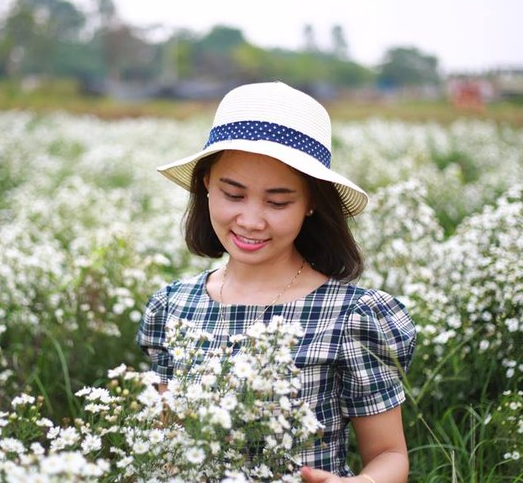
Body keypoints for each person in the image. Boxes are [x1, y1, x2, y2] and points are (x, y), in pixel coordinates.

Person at [137, 81, 416, 482]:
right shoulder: (173, 307)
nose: (251, 220)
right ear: (206, 184)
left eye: (278, 202)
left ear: (312, 203)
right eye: (233, 195)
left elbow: (389, 454)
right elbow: (166, 444)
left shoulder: (351, 315)